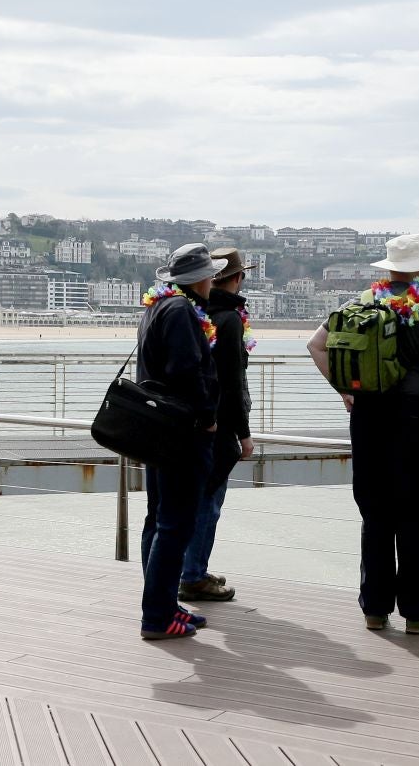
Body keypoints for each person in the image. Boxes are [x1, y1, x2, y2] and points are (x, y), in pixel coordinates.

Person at [307, 233, 419, 634]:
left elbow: (315, 345)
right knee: (415, 516)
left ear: (389, 267)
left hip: (367, 419)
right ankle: (416, 614)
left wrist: (345, 391)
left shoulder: (363, 300)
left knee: (375, 514)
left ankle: (374, 609)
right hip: (413, 420)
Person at [137, 243, 225, 640]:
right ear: (202, 279)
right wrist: (208, 419)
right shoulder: (180, 312)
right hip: (181, 434)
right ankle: (157, 615)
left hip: (157, 431)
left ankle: (163, 604)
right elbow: (187, 370)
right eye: (212, 275)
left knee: (158, 521)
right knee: (174, 525)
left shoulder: (158, 307)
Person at [179, 247, 255, 603]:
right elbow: (232, 381)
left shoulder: (189, 309)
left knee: (191, 500)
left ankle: (190, 568)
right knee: (209, 503)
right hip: (218, 425)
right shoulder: (229, 319)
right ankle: (192, 575)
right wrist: (245, 434)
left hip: (187, 423)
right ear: (235, 278)